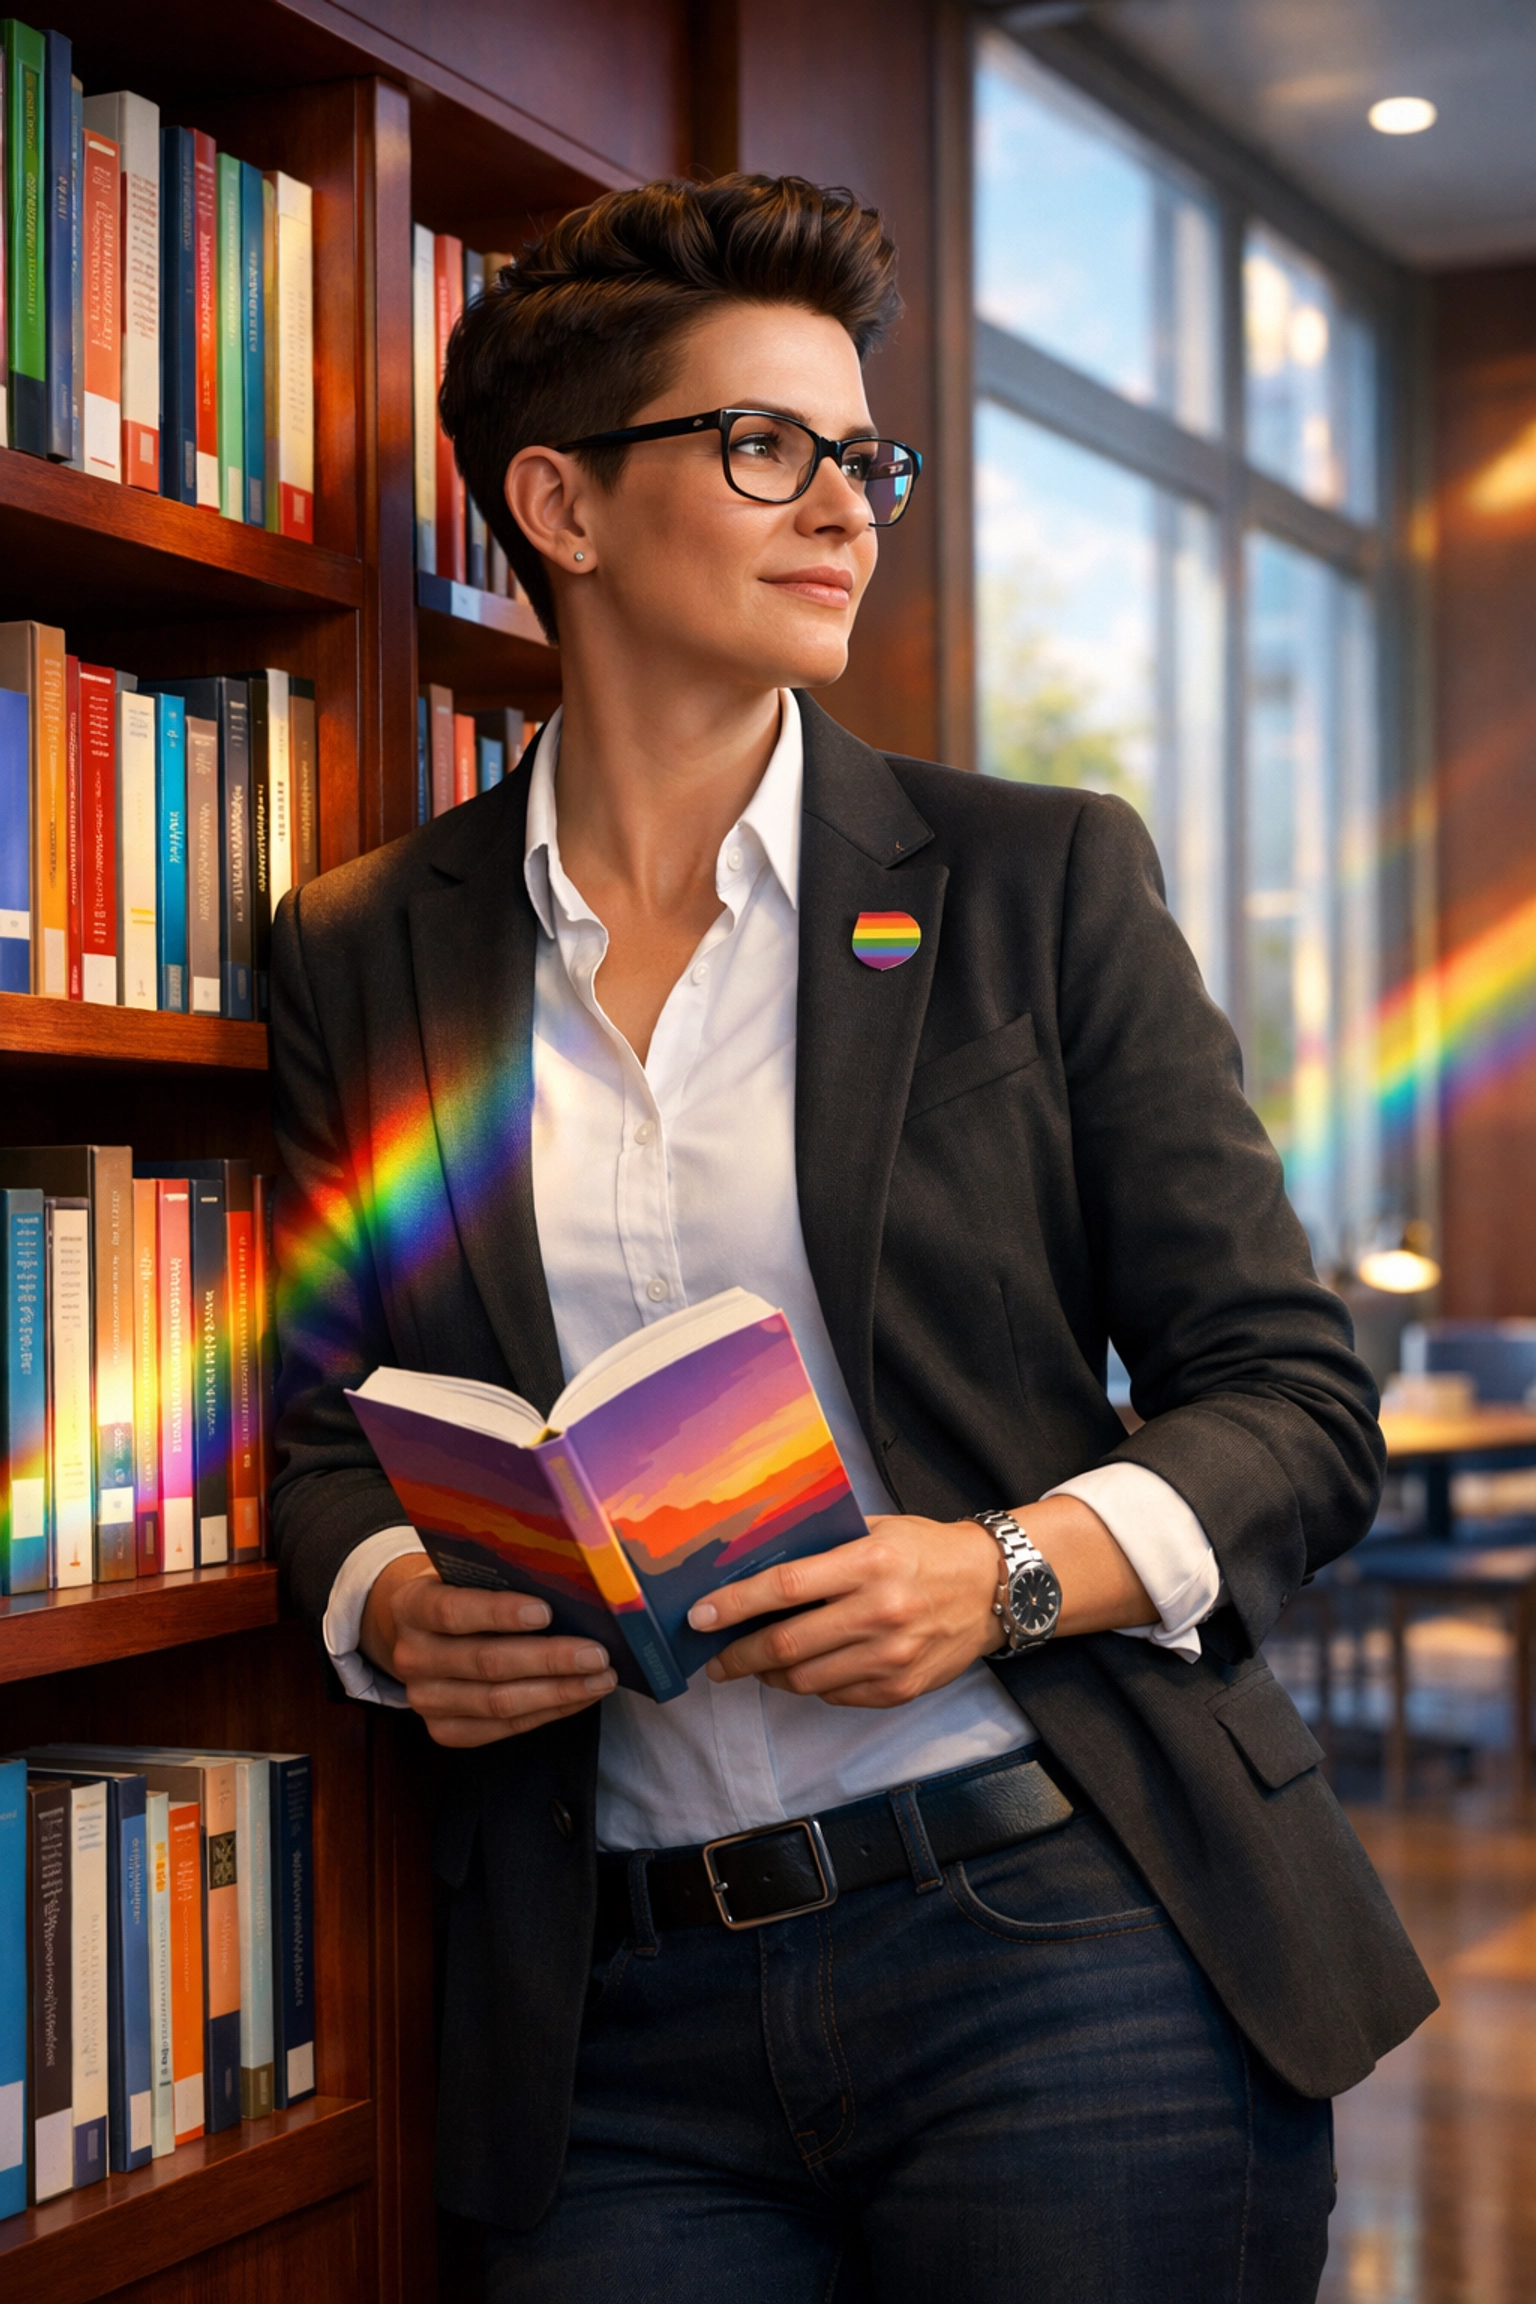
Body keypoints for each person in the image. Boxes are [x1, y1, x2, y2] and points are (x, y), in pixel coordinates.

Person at [269, 173, 1434, 2303]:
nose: (845, 508)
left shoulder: (1034, 884)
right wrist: (388, 1605)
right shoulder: (367, 952)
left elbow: (1292, 1403)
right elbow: (328, 1424)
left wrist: (993, 1577)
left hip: (1063, 1942)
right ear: (562, 502)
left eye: (861, 455)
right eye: (763, 447)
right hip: (611, 2010)